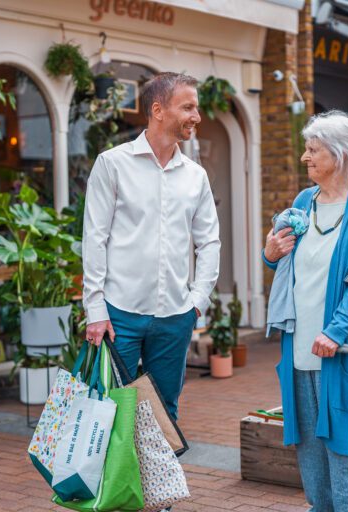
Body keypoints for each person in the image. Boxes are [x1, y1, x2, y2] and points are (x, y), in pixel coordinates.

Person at [263, 110, 348, 512]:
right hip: (302, 346)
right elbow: (284, 259)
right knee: (310, 453)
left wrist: (336, 331)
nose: (305, 157)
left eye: (313, 149)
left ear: (338, 154)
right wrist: (270, 254)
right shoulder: (305, 202)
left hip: (344, 350)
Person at [82, 72, 221, 419]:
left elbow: (209, 241)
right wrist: (95, 310)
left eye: (196, 107)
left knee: (164, 414)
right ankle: (118, 478)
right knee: (111, 413)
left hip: (175, 316)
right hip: (120, 315)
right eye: (188, 107)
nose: (197, 116)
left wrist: (197, 302)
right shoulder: (112, 164)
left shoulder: (195, 176)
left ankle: (158, 476)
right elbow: (95, 238)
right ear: (158, 110)